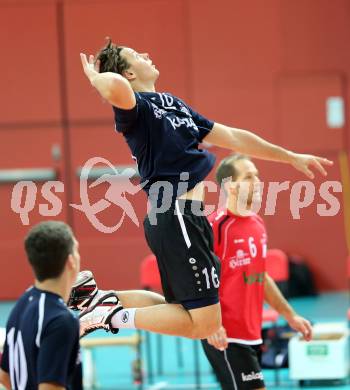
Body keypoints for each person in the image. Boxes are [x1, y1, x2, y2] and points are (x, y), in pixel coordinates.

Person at [76, 38, 332, 339]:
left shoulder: (172, 104)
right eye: (135, 55)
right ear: (128, 74)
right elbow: (114, 89)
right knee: (205, 325)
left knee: (181, 310)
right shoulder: (137, 110)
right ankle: (108, 317)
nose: (146, 53)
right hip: (176, 214)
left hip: (185, 217)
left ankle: (95, 297)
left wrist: (289, 157)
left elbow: (234, 137)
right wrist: (96, 77)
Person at [201, 155, 313, 390]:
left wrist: (290, 315)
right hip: (225, 336)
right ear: (231, 186)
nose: (258, 181)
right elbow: (195, 281)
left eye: (258, 175)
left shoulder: (256, 223)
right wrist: (211, 325)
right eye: (249, 177)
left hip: (251, 333)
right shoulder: (214, 227)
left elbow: (260, 275)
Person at [0, 221, 85, 390]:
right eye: (76, 250)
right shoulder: (62, 321)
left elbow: (5, 375)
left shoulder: (23, 302)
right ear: (70, 261)